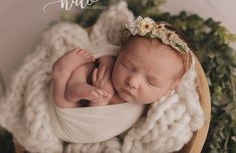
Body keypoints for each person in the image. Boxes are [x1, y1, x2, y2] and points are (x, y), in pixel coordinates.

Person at [52, 17, 193, 108]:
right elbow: (105, 50)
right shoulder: (116, 57)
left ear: (170, 88)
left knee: (64, 103)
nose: (132, 81)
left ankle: (61, 75)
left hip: (79, 114)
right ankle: (75, 82)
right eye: (128, 66)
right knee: (86, 64)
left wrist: (101, 99)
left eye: (151, 81)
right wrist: (106, 62)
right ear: (120, 54)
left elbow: (98, 124)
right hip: (85, 80)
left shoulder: (132, 107)